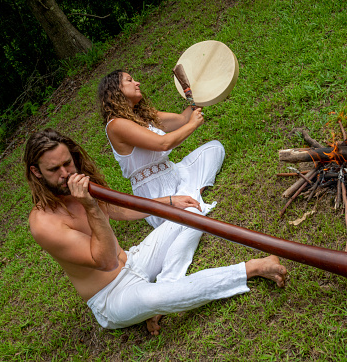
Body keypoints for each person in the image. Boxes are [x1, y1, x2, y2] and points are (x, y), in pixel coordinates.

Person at [24, 128, 287, 335]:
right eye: (54, 169)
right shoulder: (43, 223)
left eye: (68, 164)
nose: (65, 173)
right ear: (36, 172)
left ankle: (167, 280)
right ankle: (250, 268)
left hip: (134, 260)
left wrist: (170, 203)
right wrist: (90, 207)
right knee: (161, 297)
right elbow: (104, 261)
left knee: (192, 214)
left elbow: (120, 210)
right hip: (112, 295)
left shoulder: (79, 182)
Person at [98, 69, 225, 228]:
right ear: (115, 91)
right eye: (129, 80)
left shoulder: (141, 115)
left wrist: (199, 91)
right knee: (191, 219)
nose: (137, 83)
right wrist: (193, 124)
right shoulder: (116, 125)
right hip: (155, 192)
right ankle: (188, 201)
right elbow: (163, 143)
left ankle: (190, 197)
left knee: (215, 148)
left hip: (175, 174)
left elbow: (182, 119)